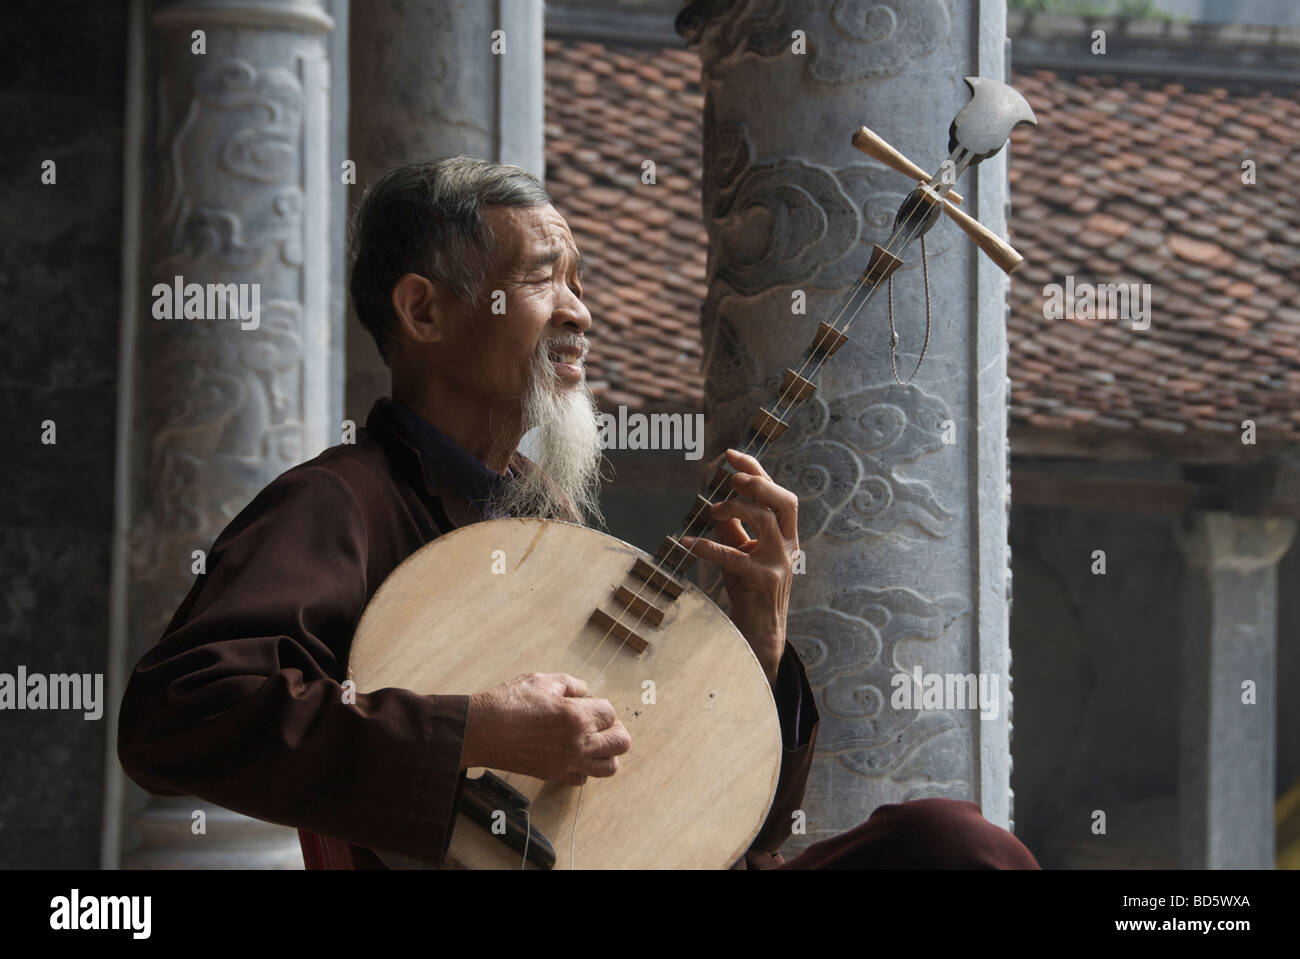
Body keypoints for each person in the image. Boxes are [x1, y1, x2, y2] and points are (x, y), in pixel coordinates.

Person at [118, 156, 1039, 870]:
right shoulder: (340, 502)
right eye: (543, 280)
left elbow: (718, 816)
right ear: (423, 312)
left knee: (953, 848)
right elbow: (174, 715)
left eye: (580, 281)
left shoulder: (544, 519)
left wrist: (755, 650)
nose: (581, 313)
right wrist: (474, 728)